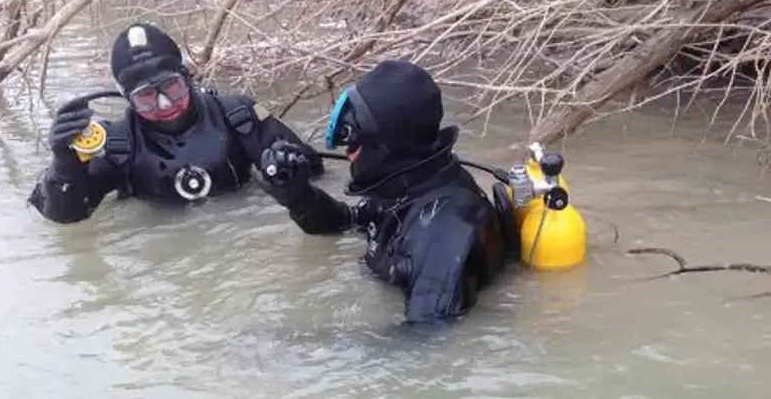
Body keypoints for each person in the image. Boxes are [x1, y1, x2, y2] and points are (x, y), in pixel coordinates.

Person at [258, 59, 513, 324]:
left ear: (385, 141)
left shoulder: (442, 229)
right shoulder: (409, 186)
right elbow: (348, 222)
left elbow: (427, 339)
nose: (347, 150)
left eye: (352, 137)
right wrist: (298, 197)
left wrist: (301, 347)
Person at [28, 23, 324, 224]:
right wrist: (65, 162)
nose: (165, 105)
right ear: (128, 100)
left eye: (172, 88)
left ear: (187, 76)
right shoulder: (119, 144)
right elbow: (65, 219)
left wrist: (287, 166)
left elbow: (316, 169)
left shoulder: (237, 115)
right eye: (146, 97)